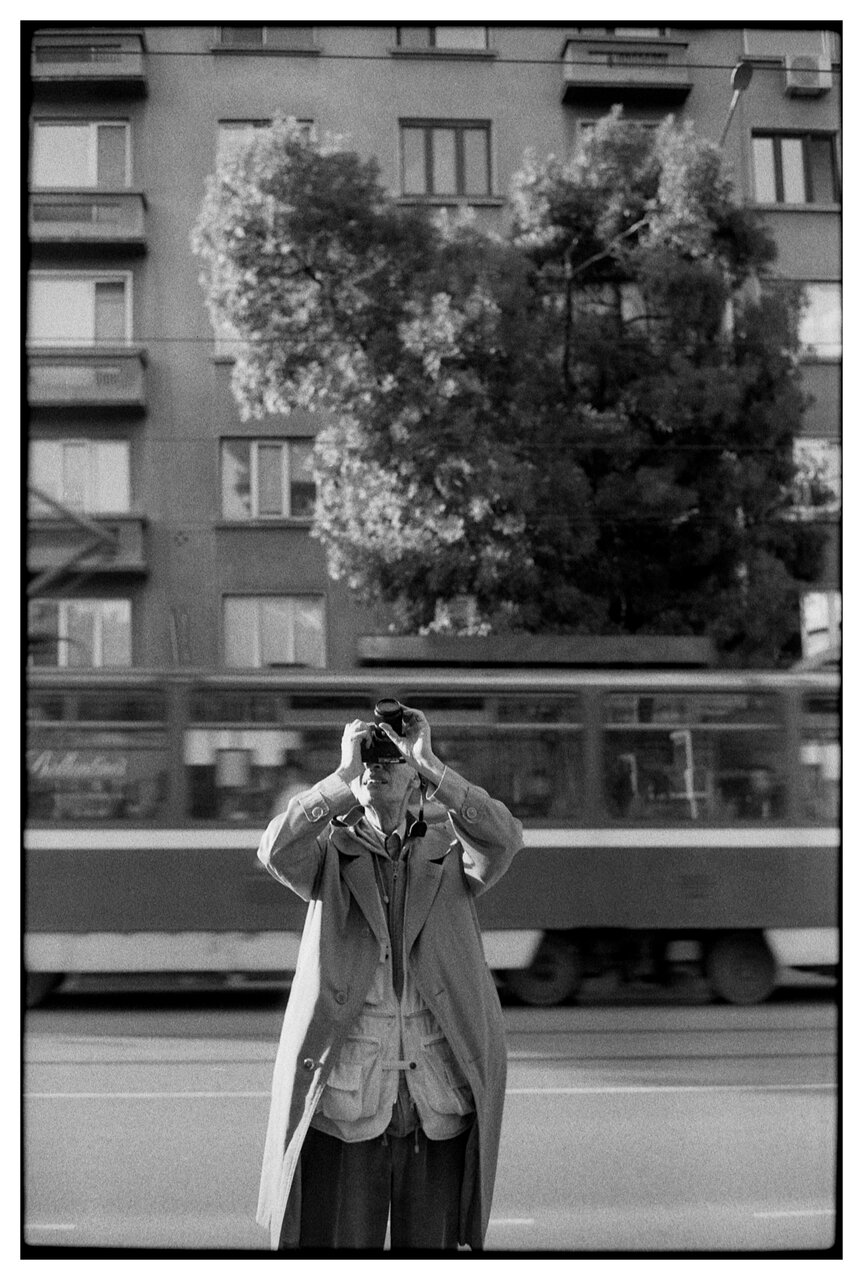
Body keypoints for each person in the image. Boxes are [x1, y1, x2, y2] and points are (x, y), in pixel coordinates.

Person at [255, 702, 523, 1251]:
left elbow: (505, 840)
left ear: (416, 781)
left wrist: (432, 764)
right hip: (349, 1108)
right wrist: (340, 777)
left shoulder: (451, 856)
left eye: (392, 758)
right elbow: (275, 850)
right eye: (370, 758)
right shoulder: (330, 856)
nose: (379, 765)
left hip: (436, 1106)